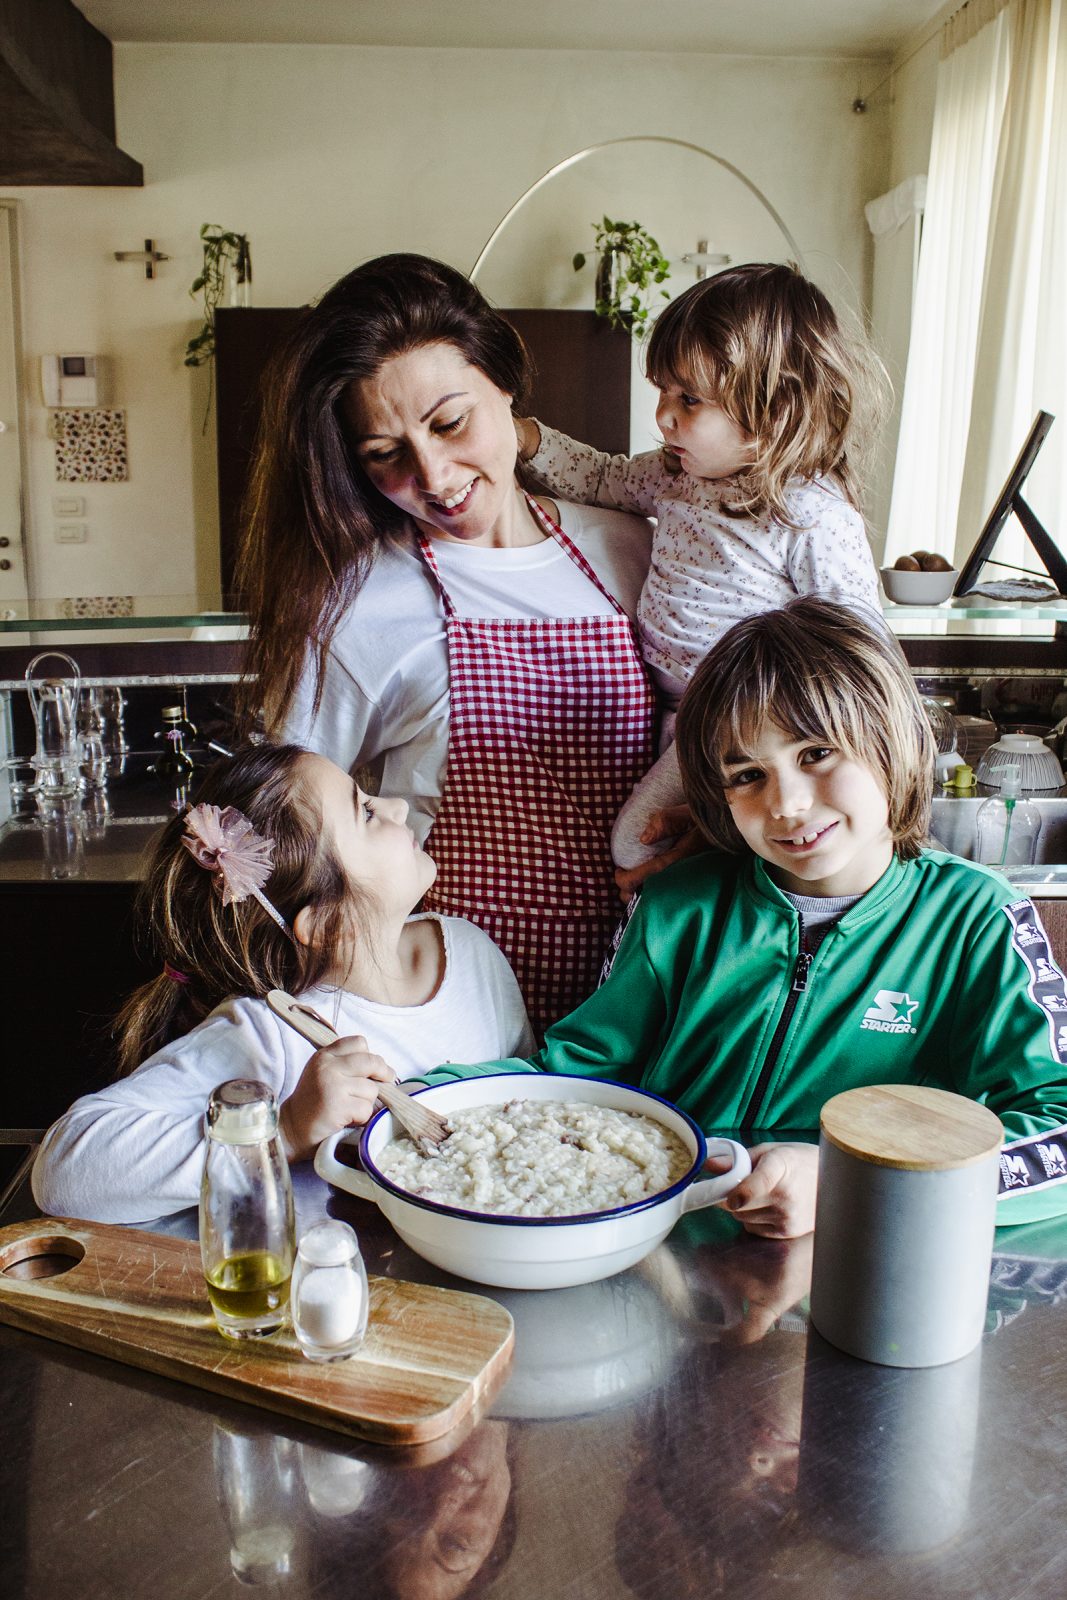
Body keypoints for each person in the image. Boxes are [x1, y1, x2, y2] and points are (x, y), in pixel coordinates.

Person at [413, 599, 1067, 1236]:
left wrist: (852, 1182)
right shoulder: (676, 905)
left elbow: (1057, 1128)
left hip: (867, 1266)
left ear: (887, 737)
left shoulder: (977, 918)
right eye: (748, 774)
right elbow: (574, 1075)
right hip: (665, 1253)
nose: (785, 803)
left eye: (814, 754)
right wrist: (414, 1097)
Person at [236, 253, 657, 1036]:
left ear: (504, 385)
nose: (432, 475)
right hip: (456, 1019)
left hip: (646, 997)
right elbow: (290, 840)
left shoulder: (636, 553)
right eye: (383, 455)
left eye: (449, 421)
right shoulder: (357, 604)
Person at [31, 743, 533, 1224]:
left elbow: (532, 1098)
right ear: (325, 921)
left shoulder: (470, 954)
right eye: (365, 813)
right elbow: (62, 1172)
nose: (398, 806)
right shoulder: (268, 1033)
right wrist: (284, 1131)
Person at [515, 262, 883, 875]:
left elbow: (856, 642)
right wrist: (527, 437)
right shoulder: (675, 476)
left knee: (634, 844)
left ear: (776, 410)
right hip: (665, 711)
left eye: (689, 400)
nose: (663, 417)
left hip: (742, 722)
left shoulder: (810, 511)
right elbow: (604, 477)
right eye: (663, 391)